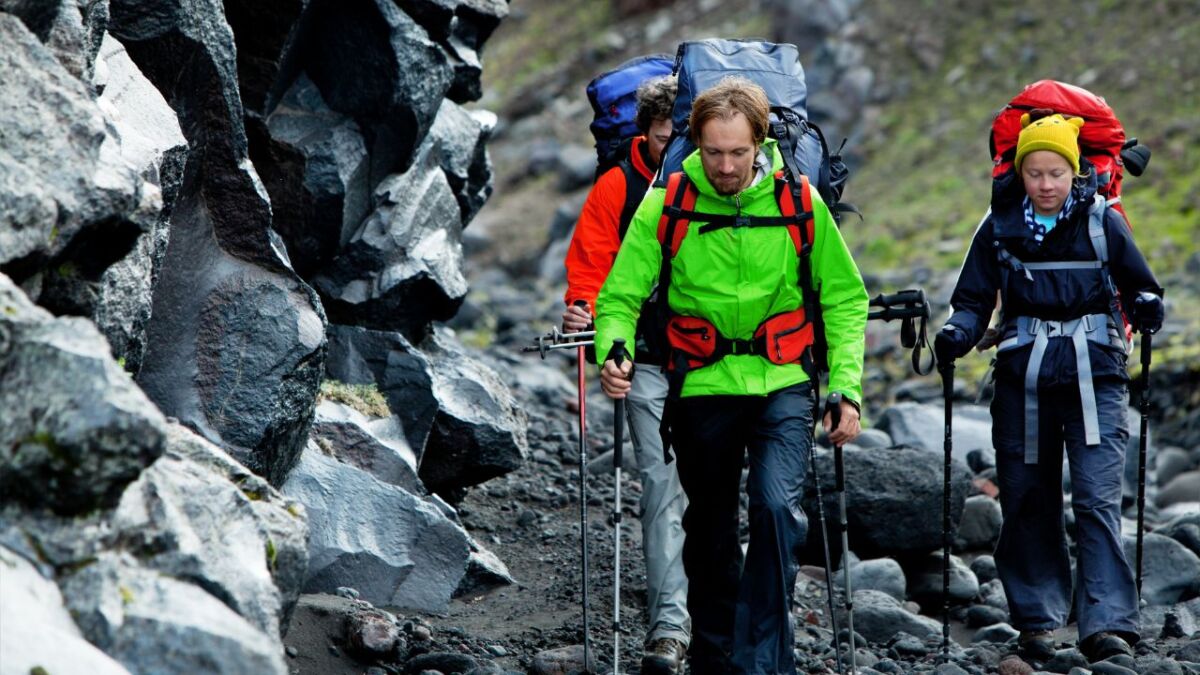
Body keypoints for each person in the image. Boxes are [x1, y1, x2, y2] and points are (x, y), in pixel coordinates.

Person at [594, 76, 868, 675]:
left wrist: (845, 385)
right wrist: (611, 351)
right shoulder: (667, 204)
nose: (725, 166)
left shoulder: (799, 202)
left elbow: (845, 300)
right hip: (701, 387)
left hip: (782, 383)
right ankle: (715, 660)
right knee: (710, 530)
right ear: (696, 143)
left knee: (775, 512)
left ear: (760, 143)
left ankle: (763, 662)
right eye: (714, 152)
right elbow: (620, 297)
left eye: (738, 153)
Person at [934, 112, 1164, 664]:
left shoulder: (1103, 221)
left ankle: (1107, 624)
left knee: (1095, 499)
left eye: (1056, 172)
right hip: (1022, 380)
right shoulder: (998, 226)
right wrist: (955, 335)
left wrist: (1148, 307)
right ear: (1020, 172)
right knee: (1027, 498)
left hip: (1095, 376)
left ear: (1075, 170)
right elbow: (972, 300)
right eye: (1034, 172)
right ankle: (1037, 621)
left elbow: (1139, 287)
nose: (1045, 184)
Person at [561, 75, 691, 674]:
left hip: (731, 366)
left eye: (680, 137)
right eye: (666, 139)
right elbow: (589, 274)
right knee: (663, 491)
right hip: (645, 361)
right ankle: (671, 625)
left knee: (719, 495)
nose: (676, 151)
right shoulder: (619, 187)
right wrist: (590, 325)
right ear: (645, 134)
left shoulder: (728, 182)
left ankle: (716, 609)